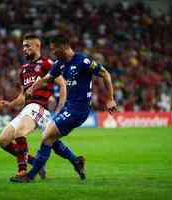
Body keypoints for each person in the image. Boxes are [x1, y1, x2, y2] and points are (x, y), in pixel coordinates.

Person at [11, 35, 117, 183]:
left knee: (47, 136)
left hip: (79, 110)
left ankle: (30, 175)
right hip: (69, 108)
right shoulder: (60, 64)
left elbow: (105, 74)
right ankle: (76, 161)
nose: (53, 52)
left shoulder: (83, 61)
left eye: (54, 49)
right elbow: (47, 79)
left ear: (64, 46)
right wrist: (32, 89)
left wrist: (110, 99)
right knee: (51, 138)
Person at [0, 34, 85, 181]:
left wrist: (60, 107)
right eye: (23, 46)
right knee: (3, 141)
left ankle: (22, 172)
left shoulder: (47, 63)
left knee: (21, 133)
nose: (24, 49)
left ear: (37, 46)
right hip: (27, 108)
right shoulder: (24, 69)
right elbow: (23, 96)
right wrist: (11, 104)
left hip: (39, 107)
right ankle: (71, 161)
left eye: (28, 46)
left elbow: (62, 84)